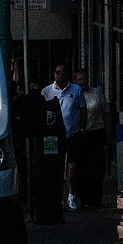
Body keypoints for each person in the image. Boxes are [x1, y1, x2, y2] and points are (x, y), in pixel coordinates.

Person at [40, 65, 85, 208]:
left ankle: (71, 194)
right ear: (54, 74)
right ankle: (57, 196)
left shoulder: (76, 90)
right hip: (53, 135)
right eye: (58, 73)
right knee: (55, 166)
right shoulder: (47, 91)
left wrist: (82, 128)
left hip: (72, 133)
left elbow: (83, 109)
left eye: (64, 73)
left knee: (73, 165)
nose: (61, 76)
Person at [73, 69, 110, 210]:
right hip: (81, 133)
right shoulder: (74, 94)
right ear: (76, 81)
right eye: (79, 79)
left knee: (97, 167)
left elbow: (106, 113)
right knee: (82, 167)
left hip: (96, 132)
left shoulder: (97, 93)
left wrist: (108, 133)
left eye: (84, 79)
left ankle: (96, 196)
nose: (83, 82)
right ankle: (83, 197)